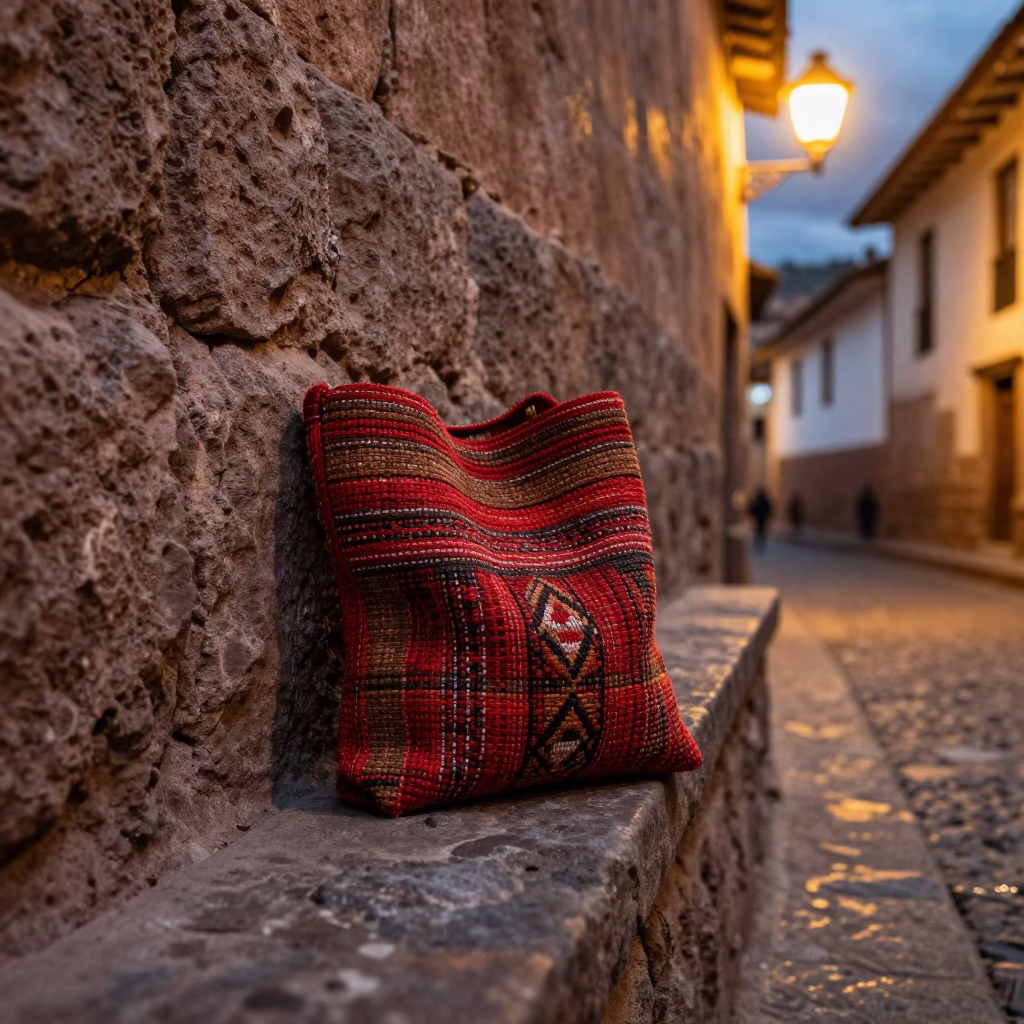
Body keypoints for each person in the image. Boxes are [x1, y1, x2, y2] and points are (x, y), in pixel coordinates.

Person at [748, 488, 773, 552]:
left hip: (758, 517)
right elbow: (768, 508)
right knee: (761, 529)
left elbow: (753, 508)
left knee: (758, 529)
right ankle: (760, 542)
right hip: (762, 517)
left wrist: (753, 514)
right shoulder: (764, 501)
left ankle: (758, 542)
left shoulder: (757, 500)